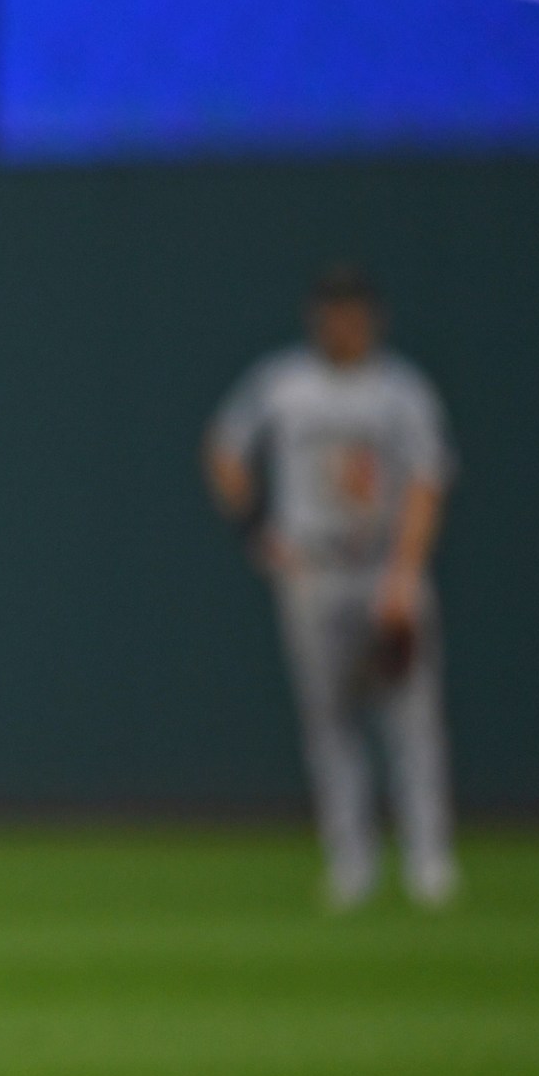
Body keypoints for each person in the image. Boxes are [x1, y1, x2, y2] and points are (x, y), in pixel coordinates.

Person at [205, 266, 458, 908]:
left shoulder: (401, 391)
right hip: (313, 568)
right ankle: (353, 864)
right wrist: (254, 525)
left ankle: (429, 862)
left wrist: (404, 575)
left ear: (374, 318)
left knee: (411, 722)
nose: (342, 322)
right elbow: (224, 447)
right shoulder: (285, 383)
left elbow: (428, 482)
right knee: (328, 722)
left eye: (353, 311)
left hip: (382, 567)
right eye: (332, 311)